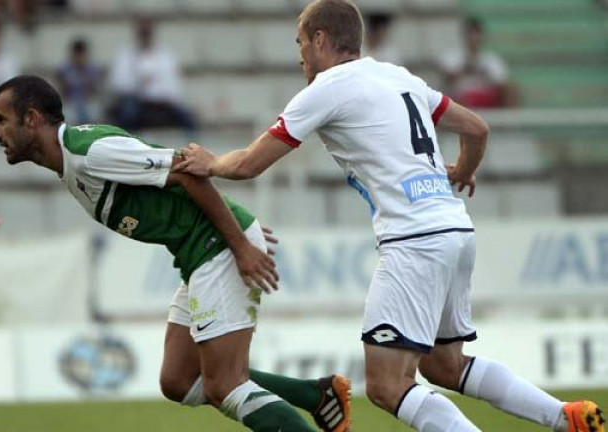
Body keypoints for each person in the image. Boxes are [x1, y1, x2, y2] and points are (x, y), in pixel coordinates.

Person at [175, 1, 605, 431]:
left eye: (301, 42)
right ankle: (565, 418)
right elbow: (476, 128)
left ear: (320, 40)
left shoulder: (326, 89)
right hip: (455, 230)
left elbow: (250, 163)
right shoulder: (399, 76)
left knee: (385, 384)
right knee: (445, 366)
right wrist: (463, 171)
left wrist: (210, 163)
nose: (299, 54)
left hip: (413, 241)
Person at [0, 75, 352, 432]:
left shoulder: (92, 152)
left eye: (1, 120)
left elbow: (185, 170)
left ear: (33, 119)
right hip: (198, 252)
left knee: (224, 385)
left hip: (216, 246)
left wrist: (240, 242)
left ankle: (312, 399)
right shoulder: (72, 163)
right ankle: (314, 395)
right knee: (179, 379)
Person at [106, 17, 197, 136]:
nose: (145, 36)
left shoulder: (166, 55)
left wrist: (154, 89)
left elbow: (174, 86)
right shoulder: (125, 55)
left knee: (188, 118)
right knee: (128, 114)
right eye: (142, 33)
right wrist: (139, 82)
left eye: (147, 33)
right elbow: (117, 84)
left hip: (162, 103)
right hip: (137, 102)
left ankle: (191, 150)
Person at [438, 17, 517, 108]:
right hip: (462, 96)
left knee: (512, 90)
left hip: (486, 96)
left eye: (476, 34)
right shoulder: (452, 56)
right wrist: (466, 67)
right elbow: (447, 80)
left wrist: (487, 76)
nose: (473, 38)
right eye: (470, 34)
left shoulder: (491, 59)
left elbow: (503, 83)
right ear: (464, 35)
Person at [56, 38, 102, 125]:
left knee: (94, 112)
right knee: (68, 115)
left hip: (88, 101)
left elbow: (95, 90)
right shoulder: (64, 69)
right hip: (70, 101)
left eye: (82, 54)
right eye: (78, 54)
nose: (80, 57)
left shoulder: (92, 69)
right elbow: (61, 89)